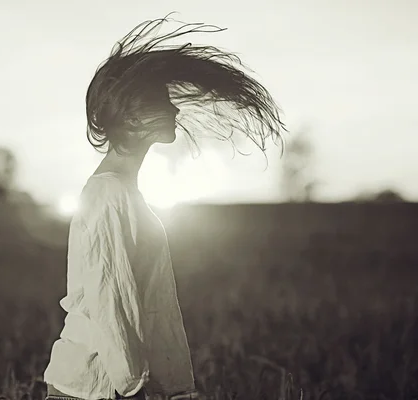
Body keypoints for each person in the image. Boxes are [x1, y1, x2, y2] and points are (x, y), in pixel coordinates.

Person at [43, 14, 286, 400]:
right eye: (162, 102)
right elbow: (112, 301)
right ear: (133, 117)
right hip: (92, 389)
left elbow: (147, 301)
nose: (174, 110)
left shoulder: (124, 192)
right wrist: (134, 384)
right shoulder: (108, 195)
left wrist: (171, 386)